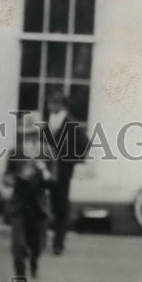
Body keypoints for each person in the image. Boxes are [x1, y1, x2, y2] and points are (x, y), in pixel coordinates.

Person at [2, 110, 53, 282]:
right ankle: (20, 279)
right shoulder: (15, 152)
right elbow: (6, 178)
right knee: (17, 244)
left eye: (32, 133)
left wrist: (44, 172)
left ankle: (34, 261)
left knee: (37, 245)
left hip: (38, 206)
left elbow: (54, 181)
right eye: (26, 133)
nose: (29, 136)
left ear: (38, 133)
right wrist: (16, 177)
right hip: (19, 205)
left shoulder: (47, 152)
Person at [41, 91, 89, 255]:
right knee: (40, 203)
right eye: (49, 103)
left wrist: (71, 161)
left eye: (53, 103)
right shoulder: (48, 123)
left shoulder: (71, 123)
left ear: (62, 105)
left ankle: (58, 244)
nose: (50, 106)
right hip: (45, 169)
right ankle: (38, 241)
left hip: (62, 171)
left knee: (60, 206)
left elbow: (85, 145)